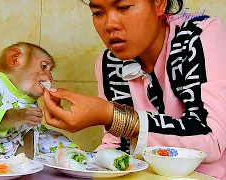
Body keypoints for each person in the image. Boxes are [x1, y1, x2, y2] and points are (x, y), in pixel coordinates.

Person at [42, 0, 226, 179]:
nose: (110, 24)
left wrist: (114, 116)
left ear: (159, 4)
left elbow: (211, 138)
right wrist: (79, 165)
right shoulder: (108, 62)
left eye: (123, 7)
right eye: (98, 13)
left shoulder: (199, 36)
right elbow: (115, 145)